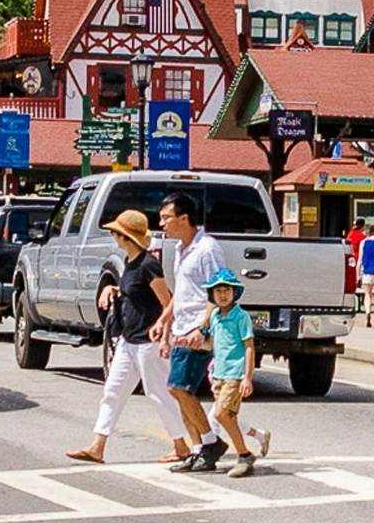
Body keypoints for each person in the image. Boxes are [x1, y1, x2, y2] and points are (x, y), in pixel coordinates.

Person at [63, 208, 185, 464]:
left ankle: (181, 445)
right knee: (113, 392)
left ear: (125, 236)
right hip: (129, 341)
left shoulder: (148, 264)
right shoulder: (131, 263)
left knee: (158, 393)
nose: (112, 235)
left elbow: (167, 300)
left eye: (115, 232)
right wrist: (113, 288)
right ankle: (97, 446)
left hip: (148, 341)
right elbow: (135, 291)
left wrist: (164, 336)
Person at [157, 191, 232, 471]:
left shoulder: (207, 249)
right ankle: (199, 448)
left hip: (198, 329)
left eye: (167, 218)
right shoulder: (181, 249)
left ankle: (211, 442)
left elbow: (219, 290)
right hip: (181, 327)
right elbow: (183, 291)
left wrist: (204, 329)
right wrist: (164, 319)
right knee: (180, 391)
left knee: (178, 387)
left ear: (184, 218)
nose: (162, 224)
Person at [205, 273, 264, 476]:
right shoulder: (215, 316)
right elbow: (214, 344)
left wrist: (247, 377)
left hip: (235, 373)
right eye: (218, 291)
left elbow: (249, 346)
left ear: (234, 292)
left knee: (221, 413)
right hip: (219, 373)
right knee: (228, 416)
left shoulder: (241, 316)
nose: (223, 295)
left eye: (227, 290)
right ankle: (246, 452)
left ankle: (244, 454)